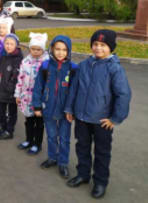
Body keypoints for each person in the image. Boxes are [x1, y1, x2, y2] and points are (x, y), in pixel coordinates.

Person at [65, 30, 131, 199]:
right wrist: (70, 109)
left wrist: (115, 118)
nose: (98, 48)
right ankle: (83, 174)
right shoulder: (84, 65)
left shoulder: (114, 69)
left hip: (102, 120)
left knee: (102, 152)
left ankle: (100, 182)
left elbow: (123, 94)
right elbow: (74, 88)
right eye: (95, 44)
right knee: (82, 147)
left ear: (111, 48)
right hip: (81, 116)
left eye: (103, 45)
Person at [33, 35, 78, 179]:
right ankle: (52, 157)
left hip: (66, 111)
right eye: (57, 49)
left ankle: (63, 162)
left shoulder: (73, 68)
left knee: (64, 138)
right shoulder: (45, 66)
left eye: (64, 50)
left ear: (69, 51)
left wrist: (73, 109)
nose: (60, 52)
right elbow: (38, 87)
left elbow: (76, 91)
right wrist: (37, 106)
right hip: (48, 107)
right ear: (52, 49)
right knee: (52, 136)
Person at [15, 33, 49, 154]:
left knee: (39, 123)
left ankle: (37, 144)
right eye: (33, 49)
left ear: (43, 49)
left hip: (39, 100)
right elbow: (20, 79)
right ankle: (29, 140)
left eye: (38, 49)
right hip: (26, 98)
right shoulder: (25, 61)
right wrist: (17, 94)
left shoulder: (46, 63)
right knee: (28, 121)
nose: (35, 51)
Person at [0, 34, 23, 140]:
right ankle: (3, 127)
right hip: (1, 89)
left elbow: (16, 76)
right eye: (6, 43)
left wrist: (10, 88)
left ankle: (9, 131)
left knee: (11, 112)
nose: (8, 46)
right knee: (0, 111)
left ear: (16, 45)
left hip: (11, 92)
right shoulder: (3, 56)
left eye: (11, 44)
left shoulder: (18, 59)